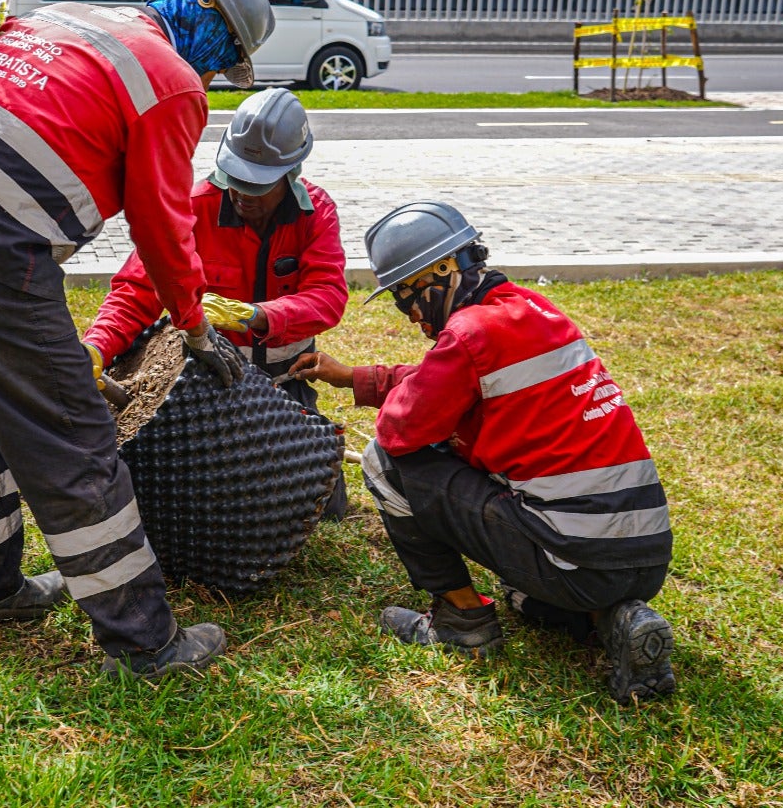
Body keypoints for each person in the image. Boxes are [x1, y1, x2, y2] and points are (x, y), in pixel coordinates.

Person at [0, 0, 275, 679]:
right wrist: (194, 326)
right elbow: (162, 227)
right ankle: (144, 643)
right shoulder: (172, 81)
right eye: (226, 61)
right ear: (212, 23)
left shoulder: (64, 17)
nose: (215, 77)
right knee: (73, 441)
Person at [289, 201, 677, 704]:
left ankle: (461, 620)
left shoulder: (468, 335)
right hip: (644, 555)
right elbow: (456, 380)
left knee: (385, 461)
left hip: (573, 557)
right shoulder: (535, 310)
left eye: (405, 298)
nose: (409, 316)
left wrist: (443, 431)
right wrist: (355, 378)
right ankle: (617, 618)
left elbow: (403, 428)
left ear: (441, 274)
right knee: (524, 598)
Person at [80, 87, 352, 518]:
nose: (243, 193)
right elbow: (136, 290)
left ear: (290, 173)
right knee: (210, 503)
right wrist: (97, 346)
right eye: (236, 178)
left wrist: (257, 316)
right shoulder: (191, 208)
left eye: (257, 185)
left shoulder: (315, 213)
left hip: (284, 386)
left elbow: (329, 297)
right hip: (208, 384)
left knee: (319, 505)